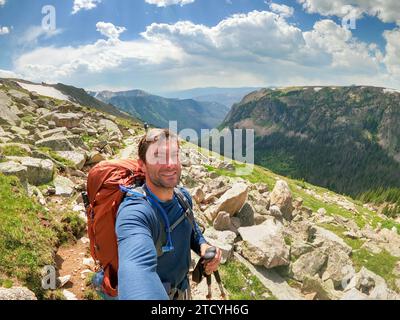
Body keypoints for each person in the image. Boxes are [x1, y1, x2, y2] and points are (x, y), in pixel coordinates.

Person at [104, 128, 221, 300]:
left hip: (182, 289)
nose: (170, 164)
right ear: (142, 165)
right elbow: (136, 267)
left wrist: (203, 246)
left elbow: (192, 230)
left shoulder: (182, 196)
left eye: (174, 154)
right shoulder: (135, 212)